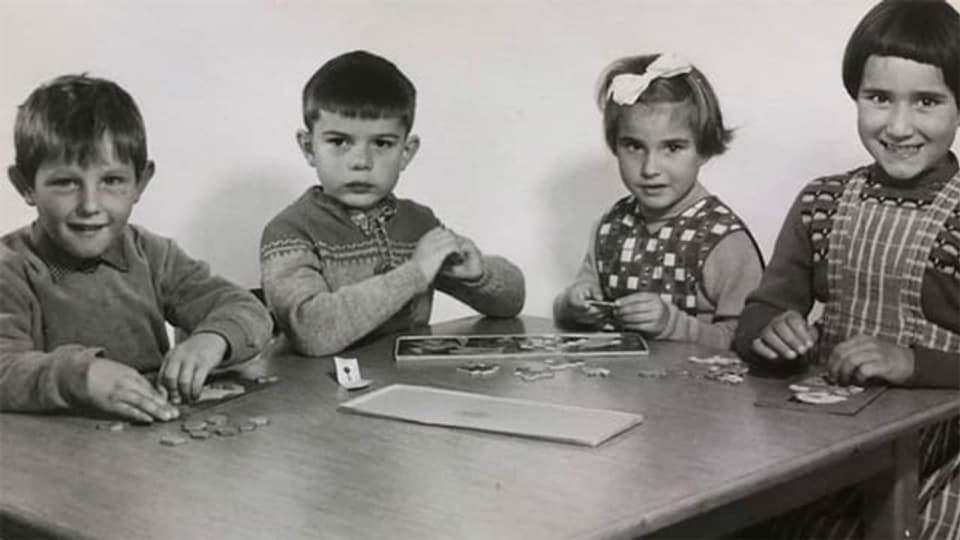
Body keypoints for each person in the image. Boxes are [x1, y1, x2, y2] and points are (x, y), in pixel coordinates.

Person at [734, 1, 960, 537]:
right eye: (878, 98)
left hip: (942, 456)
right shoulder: (822, 201)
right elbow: (758, 313)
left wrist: (912, 364)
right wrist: (771, 332)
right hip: (832, 442)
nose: (899, 126)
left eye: (927, 101)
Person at [0, 74, 274, 423]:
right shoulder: (10, 270)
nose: (90, 204)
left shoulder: (153, 255)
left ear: (140, 183)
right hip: (53, 463)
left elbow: (247, 309)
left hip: (152, 452)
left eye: (112, 181)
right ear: (25, 186)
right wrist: (80, 376)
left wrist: (212, 339)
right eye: (66, 183)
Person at [259, 50, 525, 356]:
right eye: (338, 142)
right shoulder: (288, 232)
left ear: (407, 152)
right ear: (308, 148)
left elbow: (512, 302)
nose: (361, 161)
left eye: (382, 144)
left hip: (398, 391)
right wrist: (414, 273)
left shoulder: (417, 224)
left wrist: (480, 275)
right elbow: (311, 331)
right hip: (313, 396)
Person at [553, 53, 763, 349]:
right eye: (634, 146)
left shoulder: (725, 241)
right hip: (616, 389)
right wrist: (572, 305)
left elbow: (747, 342)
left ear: (703, 150)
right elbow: (571, 314)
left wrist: (673, 325)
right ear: (615, 146)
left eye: (673, 148)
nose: (650, 169)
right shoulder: (610, 227)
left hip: (698, 392)